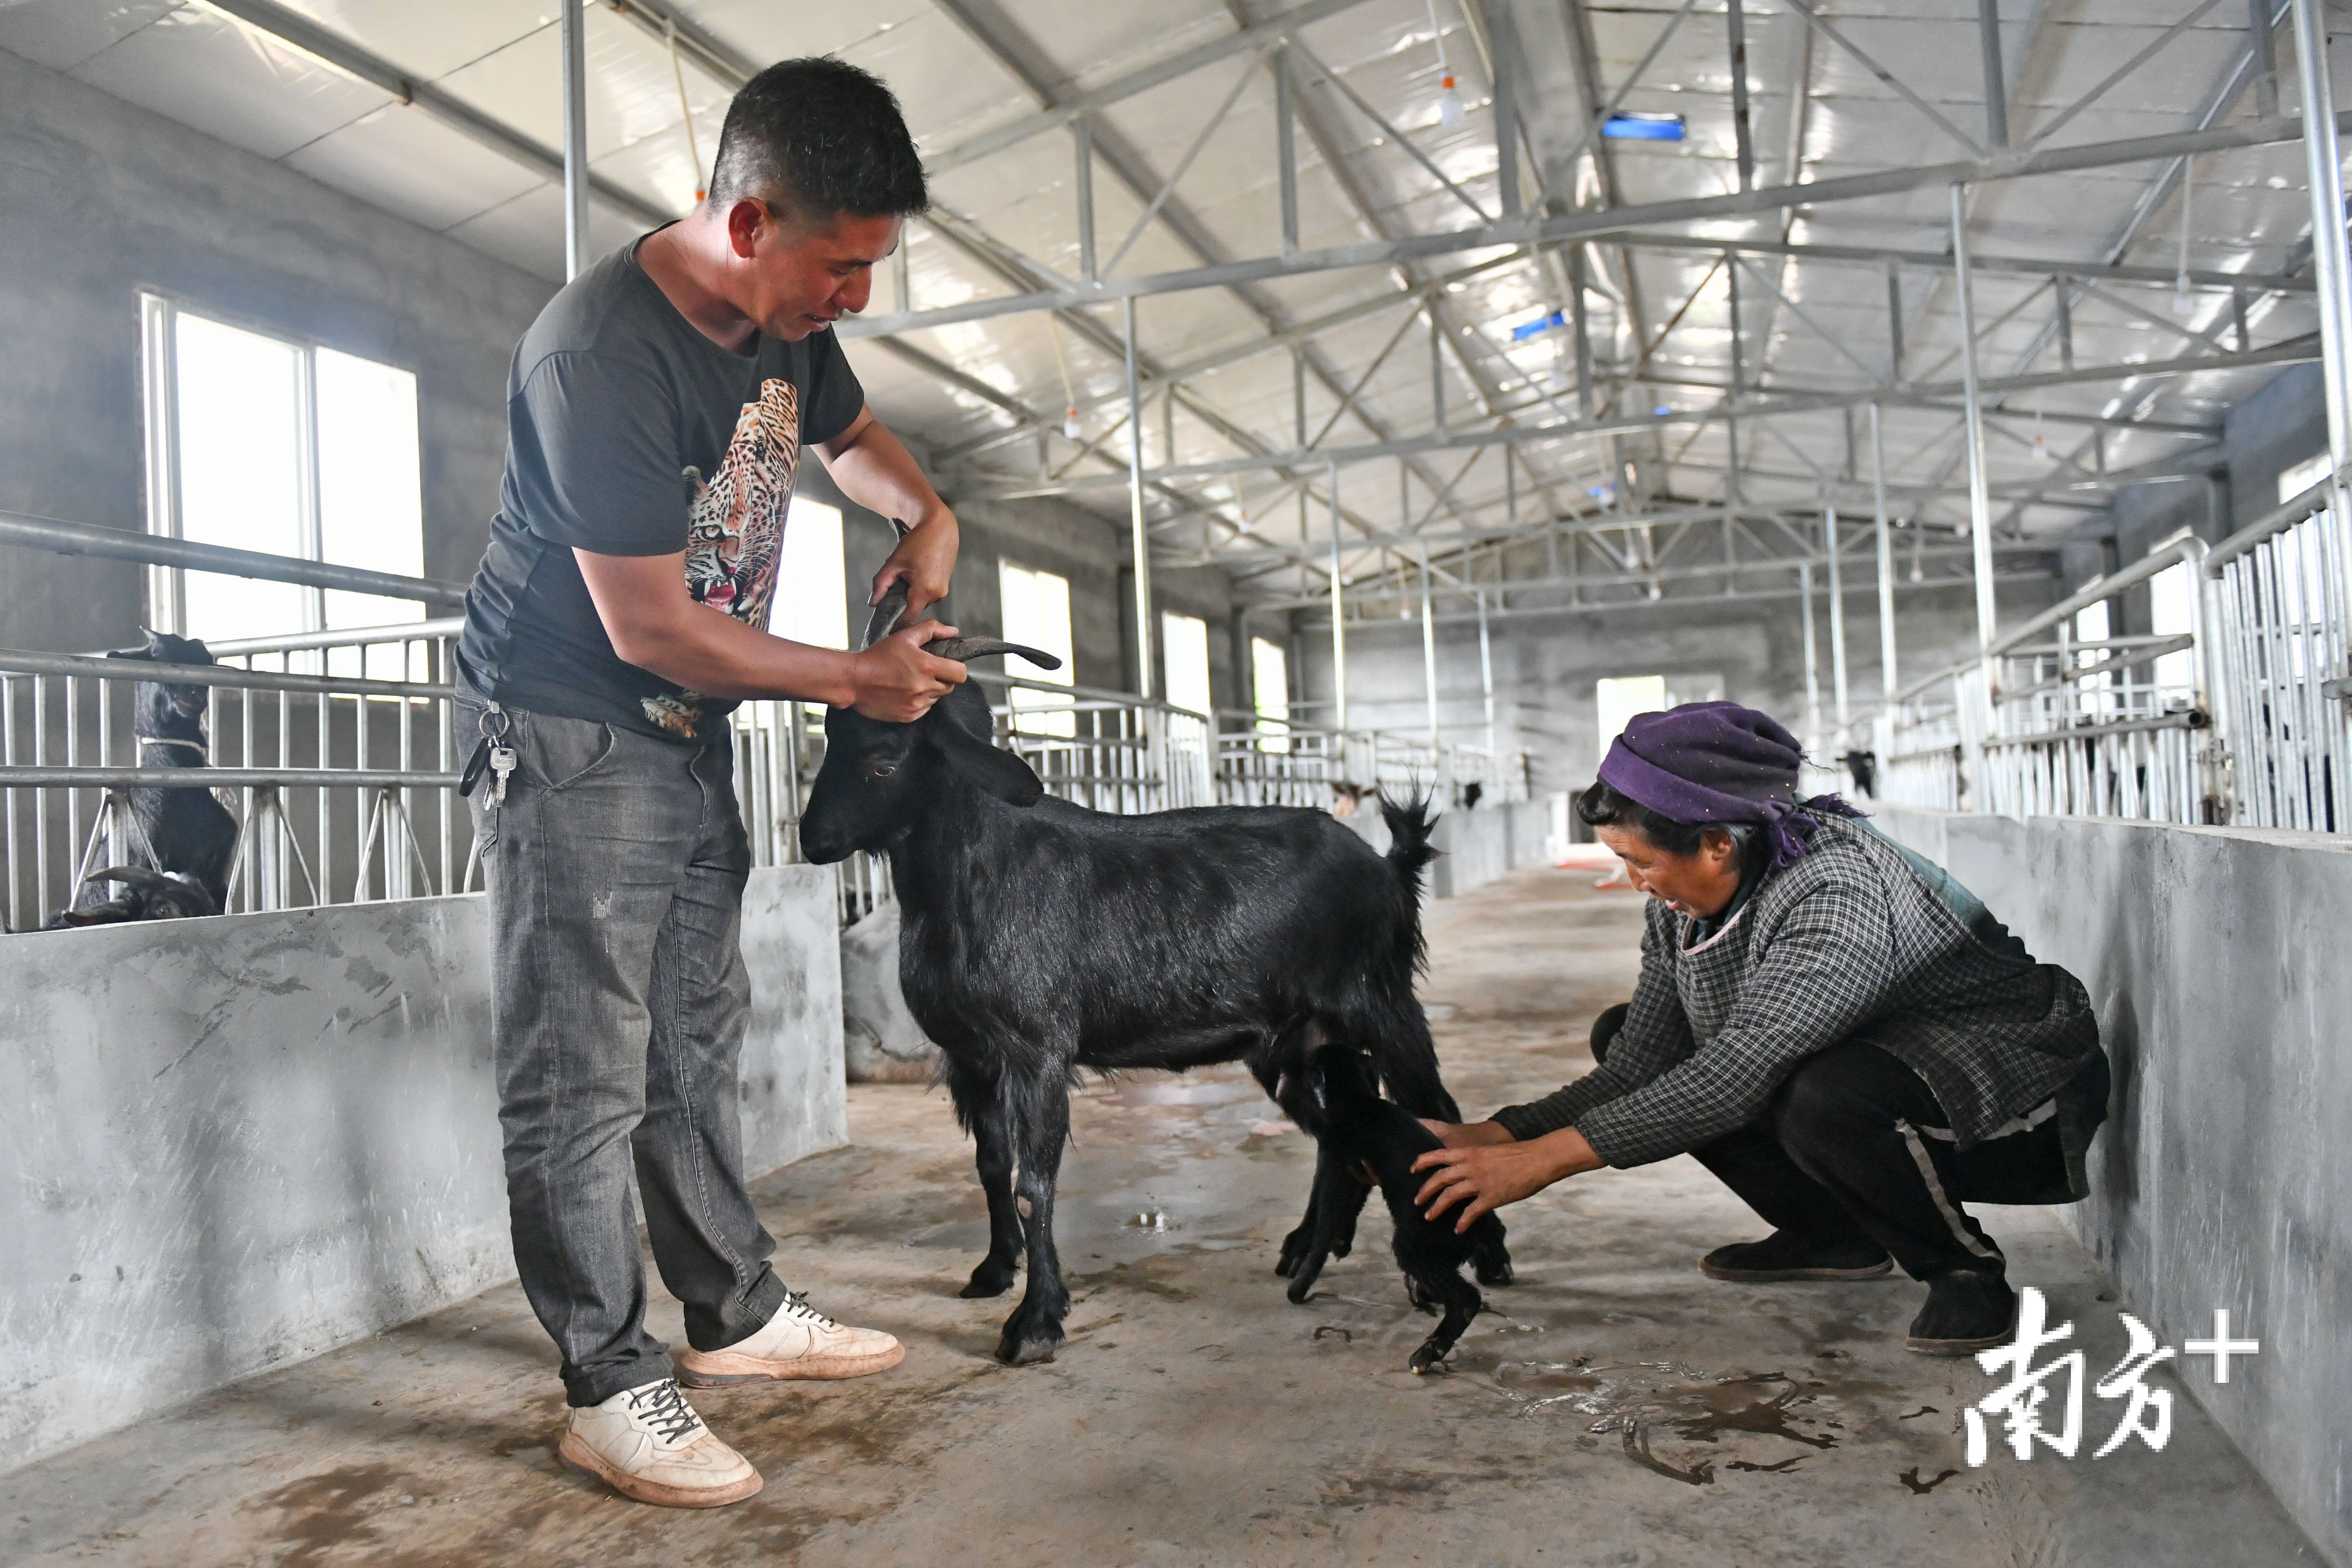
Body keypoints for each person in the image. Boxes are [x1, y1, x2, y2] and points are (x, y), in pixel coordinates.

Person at [453, 58, 967, 1509]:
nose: (855, 296)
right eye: (841, 265)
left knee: (693, 1028)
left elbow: (858, 445)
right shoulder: (597, 356)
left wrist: (931, 516)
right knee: (582, 1065)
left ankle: (732, 1314)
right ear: (749, 222)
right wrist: (858, 677)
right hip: (572, 719)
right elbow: (651, 627)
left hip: (685, 725)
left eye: (873, 265)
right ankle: (607, 1386)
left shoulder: (784, 328)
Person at [1412, 702, 2109, 1355]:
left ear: (1716, 844)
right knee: (1624, 1034)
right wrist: (1499, 1133)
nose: (1635, 882)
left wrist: (1541, 1162)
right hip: (1891, 1064)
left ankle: (1963, 1271)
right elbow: (1639, 1067)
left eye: (1639, 861)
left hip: (2014, 1099)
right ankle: (1830, 1233)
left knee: (1818, 1089)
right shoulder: (1681, 903)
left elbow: (1732, 1076)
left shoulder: (1838, 889)